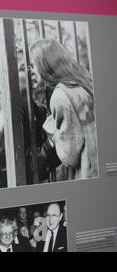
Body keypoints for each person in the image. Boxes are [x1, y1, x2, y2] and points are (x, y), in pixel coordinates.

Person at [30, 39, 98, 180]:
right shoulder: (83, 80)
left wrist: (54, 134)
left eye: (32, 65)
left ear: (44, 66)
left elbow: (70, 155)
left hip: (89, 172)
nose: (31, 70)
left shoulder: (60, 96)